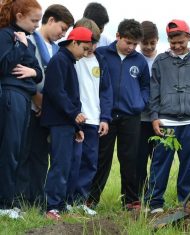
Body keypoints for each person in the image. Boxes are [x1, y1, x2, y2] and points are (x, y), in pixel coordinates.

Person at [144, 19, 190, 213]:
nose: (176, 46)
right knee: (160, 163)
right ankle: (155, 203)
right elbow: (154, 91)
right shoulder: (161, 61)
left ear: (189, 38)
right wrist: (155, 116)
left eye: (180, 42)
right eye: (172, 42)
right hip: (166, 122)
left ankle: (186, 204)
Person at [88, 19, 150, 210]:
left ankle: (130, 200)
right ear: (118, 36)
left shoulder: (140, 61)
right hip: (106, 115)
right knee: (102, 158)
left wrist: (140, 103)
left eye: (134, 44)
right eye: (128, 42)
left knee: (130, 158)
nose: (131, 47)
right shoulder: (101, 54)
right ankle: (90, 199)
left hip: (131, 116)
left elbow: (145, 86)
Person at [41, 27, 93, 220]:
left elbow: (72, 95)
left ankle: (60, 204)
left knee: (69, 163)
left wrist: (76, 127)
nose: (87, 53)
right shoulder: (59, 61)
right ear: (74, 43)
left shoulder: (70, 62)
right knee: (60, 164)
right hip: (58, 122)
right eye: (85, 48)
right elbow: (56, 92)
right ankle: (51, 207)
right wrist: (74, 114)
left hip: (68, 123)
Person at [24, 4, 74, 206]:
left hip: (48, 113)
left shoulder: (57, 50)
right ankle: (20, 198)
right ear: (50, 20)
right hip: (30, 106)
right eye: (62, 28)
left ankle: (37, 199)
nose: (63, 34)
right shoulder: (29, 41)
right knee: (23, 154)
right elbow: (23, 71)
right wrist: (37, 99)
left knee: (41, 157)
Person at [0, 0, 42, 218]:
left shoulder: (29, 41)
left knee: (20, 150)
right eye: (34, 20)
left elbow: (38, 72)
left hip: (25, 98)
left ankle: (12, 199)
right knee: (9, 149)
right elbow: (4, 65)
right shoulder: (7, 35)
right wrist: (21, 47)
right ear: (19, 16)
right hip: (11, 95)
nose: (37, 25)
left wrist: (33, 72)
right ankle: (4, 204)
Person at [67, 18, 113, 215]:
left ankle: (80, 201)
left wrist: (105, 118)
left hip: (94, 120)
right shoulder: (69, 59)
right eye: (89, 42)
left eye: (95, 42)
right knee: (71, 161)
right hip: (74, 118)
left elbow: (106, 91)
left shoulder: (100, 60)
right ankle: (65, 200)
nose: (92, 47)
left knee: (90, 162)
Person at [136, 20, 159, 197]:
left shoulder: (162, 59)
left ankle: (155, 194)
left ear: (157, 40)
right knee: (140, 159)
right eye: (145, 43)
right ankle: (140, 194)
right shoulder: (135, 60)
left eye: (152, 43)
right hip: (139, 119)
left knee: (157, 159)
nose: (149, 47)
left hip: (158, 119)